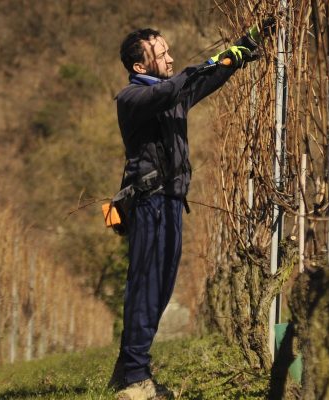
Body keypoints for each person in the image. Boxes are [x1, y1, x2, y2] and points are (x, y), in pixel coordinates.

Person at [107, 20, 274, 400]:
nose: (169, 57)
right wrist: (203, 66)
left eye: (168, 51)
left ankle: (129, 370)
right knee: (146, 288)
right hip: (149, 203)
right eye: (160, 53)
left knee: (160, 289)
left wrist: (242, 51)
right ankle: (134, 379)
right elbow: (174, 89)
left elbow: (202, 81)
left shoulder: (172, 91)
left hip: (170, 202)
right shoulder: (132, 99)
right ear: (139, 67)